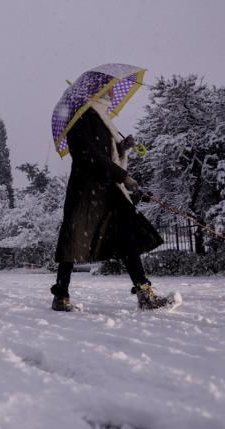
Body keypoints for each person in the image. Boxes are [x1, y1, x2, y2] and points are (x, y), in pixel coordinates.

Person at [51, 91, 179, 312]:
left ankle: (144, 292)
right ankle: (61, 296)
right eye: (106, 91)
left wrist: (122, 147)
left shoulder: (102, 120)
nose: (111, 93)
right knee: (73, 242)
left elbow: (104, 154)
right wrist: (123, 176)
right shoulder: (79, 120)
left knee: (127, 237)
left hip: (108, 192)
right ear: (94, 94)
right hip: (86, 194)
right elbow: (90, 156)